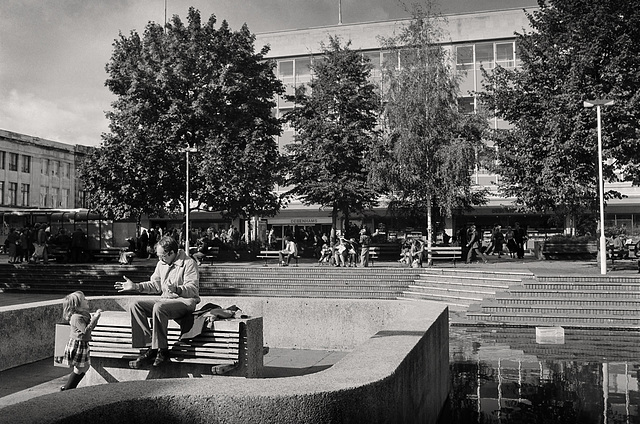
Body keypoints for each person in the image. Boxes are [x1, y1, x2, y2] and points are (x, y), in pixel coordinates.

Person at [114, 236, 200, 368]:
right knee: (135, 305)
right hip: (165, 300)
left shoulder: (189, 263)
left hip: (185, 301)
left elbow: (193, 289)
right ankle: (151, 348)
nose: (160, 259)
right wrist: (136, 286)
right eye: (158, 256)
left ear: (172, 252)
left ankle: (162, 350)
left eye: (162, 256)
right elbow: (155, 285)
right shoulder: (162, 264)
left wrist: (176, 289)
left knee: (160, 307)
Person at [60, 291, 102, 391]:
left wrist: (94, 318)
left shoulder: (83, 315)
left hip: (82, 343)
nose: (86, 300)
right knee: (80, 367)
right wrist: (95, 317)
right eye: (84, 299)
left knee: (85, 367)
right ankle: (68, 387)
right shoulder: (76, 317)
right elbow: (86, 330)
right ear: (77, 305)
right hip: (78, 344)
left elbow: (90, 328)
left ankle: (69, 387)